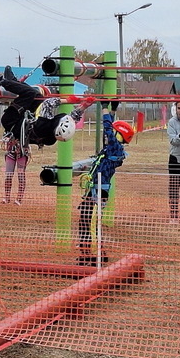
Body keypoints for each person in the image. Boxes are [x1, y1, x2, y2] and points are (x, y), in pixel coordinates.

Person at [77, 102, 133, 266]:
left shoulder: (115, 148)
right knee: (85, 220)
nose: (108, 136)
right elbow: (111, 132)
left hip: (99, 191)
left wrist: (105, 110)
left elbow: (108, 129)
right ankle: (87, 251)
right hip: (95, 189)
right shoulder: (113, 148)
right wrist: (113, 111)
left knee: (92, 221)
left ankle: (94, 255)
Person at [0, 65, 92, 147]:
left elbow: (48, 103)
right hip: (20, 122)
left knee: (30, 94)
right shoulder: (54, 136)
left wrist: (67, 100)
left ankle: (0, 80)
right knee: (38, 97)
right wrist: (84, 106)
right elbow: (73, 118)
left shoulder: (44, 127)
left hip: (11, 121)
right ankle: (13, 82)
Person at [1, 133, 30, 205]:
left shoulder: (24, 128)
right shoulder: (9, 129)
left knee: (21, 176)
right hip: (10, 154)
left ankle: (19, 198)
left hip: (22, 154)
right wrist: (7, 140)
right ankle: (7, 197)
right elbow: (4, 138)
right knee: (8, 175)